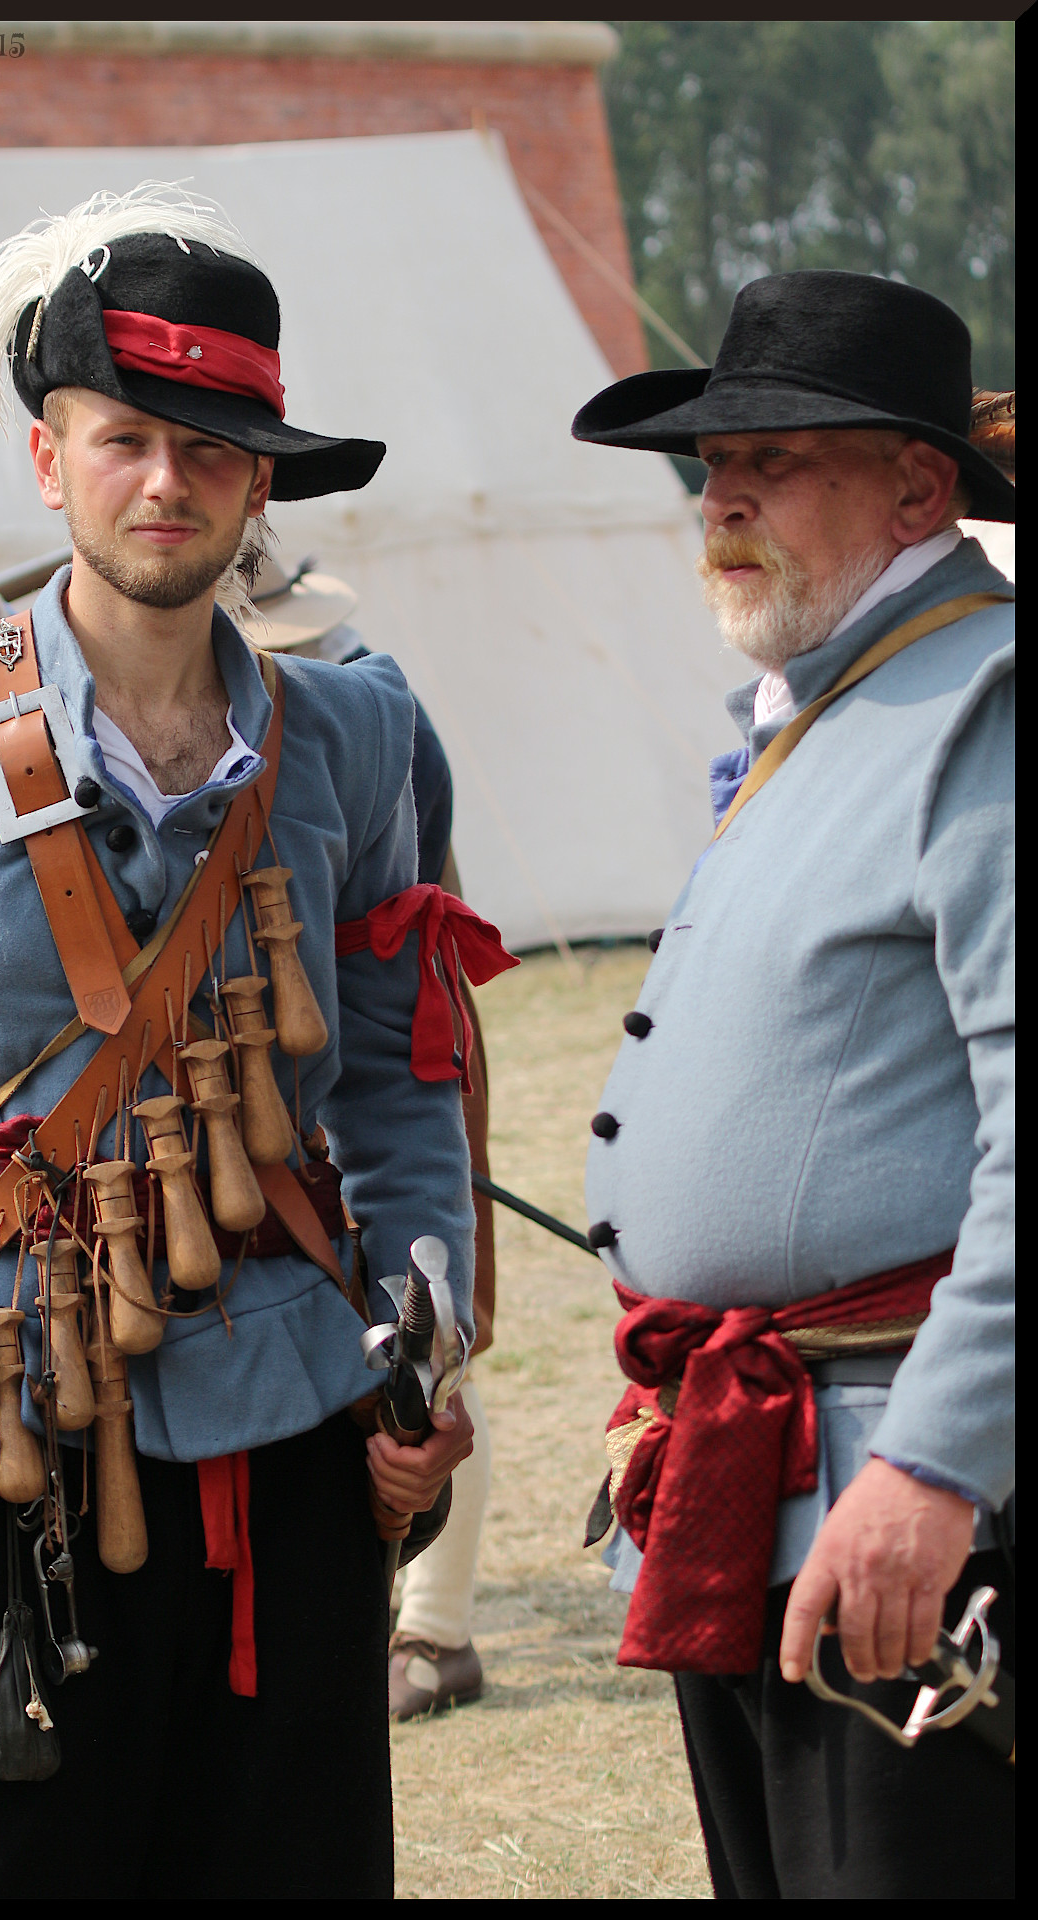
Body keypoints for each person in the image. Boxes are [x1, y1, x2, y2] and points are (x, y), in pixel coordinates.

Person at [0, 185, 497, 1898]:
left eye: (208, 451)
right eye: (123, 439)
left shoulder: (357, 734)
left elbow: (403, 1076)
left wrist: (424, 1346)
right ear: (50, 464)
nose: (163, 482)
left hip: (293, 1422)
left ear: (257, 484)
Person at [570, 271, 1014, 1899]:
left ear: (916, 486)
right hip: (760, 1468)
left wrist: (934, 1466)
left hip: (906, 1502)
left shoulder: (982, 707)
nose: (721, 499)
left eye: (773, 460)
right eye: (710, 466)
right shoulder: (823, 704)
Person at [240, 558, 496, 1719]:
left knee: (432, 1329)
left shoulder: (368, 720)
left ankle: (434, 1625)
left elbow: (417, 906)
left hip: (403, 1029)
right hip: (276, 1094)